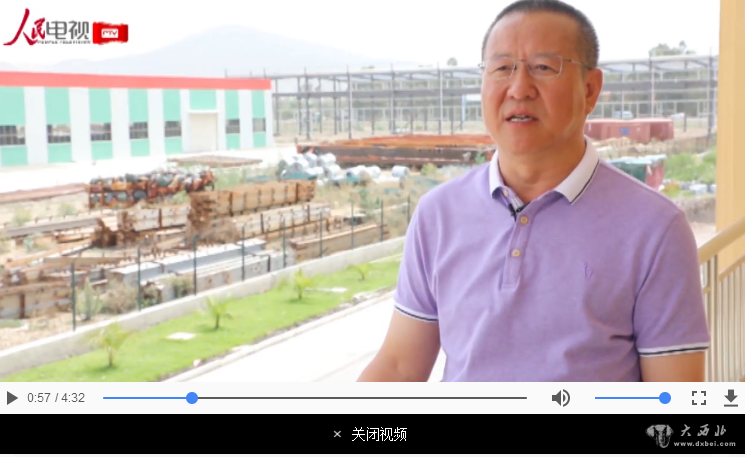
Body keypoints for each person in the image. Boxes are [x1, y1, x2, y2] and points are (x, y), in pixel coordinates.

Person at [357, 0, 710, 382]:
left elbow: (671, 399)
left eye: (543, 67)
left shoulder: (656, 229)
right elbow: (399, 365)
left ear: (590, 89)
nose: (519, 88)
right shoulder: (438, 214)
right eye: (502, 68)